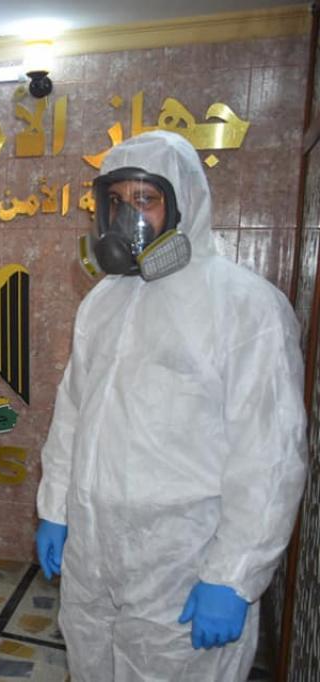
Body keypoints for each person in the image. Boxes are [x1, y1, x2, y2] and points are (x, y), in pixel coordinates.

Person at [36, 129, 307, 681]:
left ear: (184, 204)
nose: (127, 217)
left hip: (182, 563)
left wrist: (233, 575)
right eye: (116, 201)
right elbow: (73, 417)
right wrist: (55, 510)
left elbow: (270, 455)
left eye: (145, 199)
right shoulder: (102, 303)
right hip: (92, 552)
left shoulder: (245, 306)